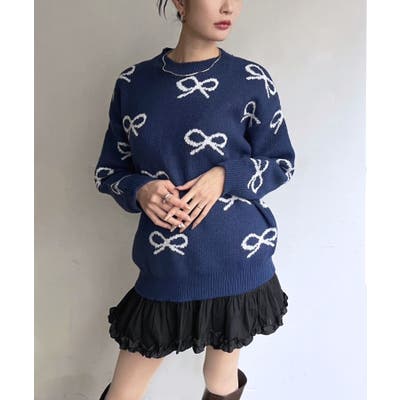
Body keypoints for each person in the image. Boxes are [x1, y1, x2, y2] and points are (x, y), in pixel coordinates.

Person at [94, 1, 296, 399]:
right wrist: (140, 189)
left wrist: (225, 176)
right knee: (125, 391)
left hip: (237, 261)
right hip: (166, 267)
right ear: (180, 3)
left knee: (219, 379)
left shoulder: (251, 80)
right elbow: (108, 172)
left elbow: (281, 162)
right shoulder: (134, 84)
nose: (228, 7)